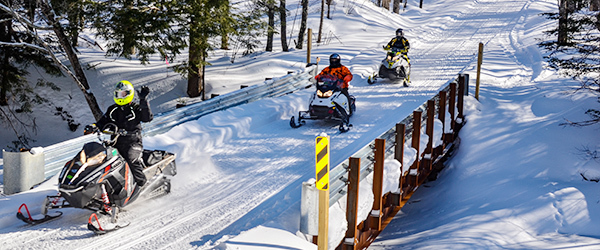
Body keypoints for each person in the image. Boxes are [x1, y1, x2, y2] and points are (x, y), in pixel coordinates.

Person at [85, 80, 153, 188]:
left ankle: (143, 184)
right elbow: (103, 121)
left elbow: (147, 118)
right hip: (116, 142)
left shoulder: (135, 108)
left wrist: (143, 101)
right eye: (118, 94)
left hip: (133, 142)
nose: (120, 97)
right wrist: (94, 126)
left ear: (129, 94)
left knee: (131, 158)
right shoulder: (113, 109)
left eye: (123, 94)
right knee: (102, 159)